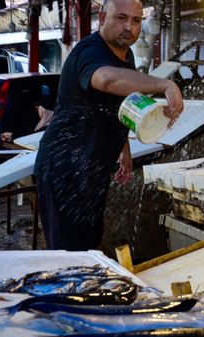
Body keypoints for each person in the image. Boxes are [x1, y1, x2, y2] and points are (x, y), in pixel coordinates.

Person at [34, 0, 183, 251]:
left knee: (90, 243)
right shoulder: (90, 51)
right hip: (65, 168)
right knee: (68, 253)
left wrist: (124, 151)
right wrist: (164, 85)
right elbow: (105, 79)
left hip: (93, 168)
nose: (129, 27)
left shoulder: (126, 55)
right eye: (121, 18)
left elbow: (122, 105)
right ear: (102, 17)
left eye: (136, 21)